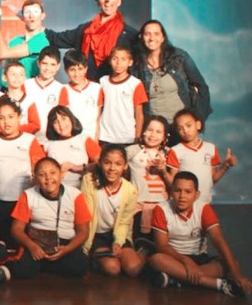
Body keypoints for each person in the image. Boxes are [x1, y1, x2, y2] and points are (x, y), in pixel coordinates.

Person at [149, 172, 252, 297]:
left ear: (196, 195)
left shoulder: (203, 208)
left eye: (188, 192)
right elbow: (162, 246)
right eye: (177, 190)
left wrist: (237, 274)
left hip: (200, 259)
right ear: (171, 192)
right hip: (174, 258)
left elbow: (218, 240)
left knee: (232, 263)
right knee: (156, 259)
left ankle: (178, 280)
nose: (182, 196)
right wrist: (186, 261)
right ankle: (218, 284)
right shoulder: (161, 209)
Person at [6, 157, 90, 279]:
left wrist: (67, 249)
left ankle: (43, 266)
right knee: (22, 271)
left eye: (53, 173)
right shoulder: (28, 195)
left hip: (64, 244)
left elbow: (83, 231)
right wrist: (32, 246)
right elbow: (16, 229)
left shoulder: (75, 195)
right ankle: (43, 265)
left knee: (79, 267)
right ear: (35, 178)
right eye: (42, 174)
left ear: (61, 174)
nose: (48, 178)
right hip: (37, 242)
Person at [132, 20, 212, 139]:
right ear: (142, 37)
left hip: (180, 127)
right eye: (147, 34)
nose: (151, 38)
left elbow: (201, 87)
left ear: (163, 37)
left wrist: (197, 119)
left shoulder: (179, 57)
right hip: (154, 129)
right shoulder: (136, 64)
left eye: (156, 34)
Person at [44, 0, 139, 80]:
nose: (108, 0)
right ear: (98, 2)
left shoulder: (130, 34)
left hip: (116, 89)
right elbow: (56, 39)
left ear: (119, 2)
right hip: (89, 89)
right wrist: (36, 24)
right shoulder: (85, 30)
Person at [0, 98, 46, 244]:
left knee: (17, 243)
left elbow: (40, 170)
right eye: (1, 118)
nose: (7, 122)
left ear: (19, 117)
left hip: (22, 203)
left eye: (11, 117)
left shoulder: (30, 140)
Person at [80, 146, 142, 277]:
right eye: (107, 163)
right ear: (100, 163)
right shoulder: (89, 181)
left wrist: (118, 242)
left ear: (125, 166)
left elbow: (124, 222)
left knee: (133, 268)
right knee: (113, 268)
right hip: (96, 234)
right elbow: (86, 217)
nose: (112, 168)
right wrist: (86, 246)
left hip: (115, 233)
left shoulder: (130, 190)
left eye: (118, 164)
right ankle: (94, 258)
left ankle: (142, 253)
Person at [165, 109, 237, 205]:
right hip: (183, 204)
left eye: (188, 125)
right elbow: (173, 182)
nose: (185, 131)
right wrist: (162, 170)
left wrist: (225, 165)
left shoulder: (211, 148)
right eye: (180, 128)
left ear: (198, 125)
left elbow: (213, 178)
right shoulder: (175, 151)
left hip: (205, 202)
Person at [127, 116, 170, 252]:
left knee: (161, 246)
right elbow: (114, 163)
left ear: (164, 136)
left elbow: (175, 183)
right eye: (150, 130)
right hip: (139, 206)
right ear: (143, 131)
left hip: (162, 206)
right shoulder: (132, 150)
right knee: (142, 245)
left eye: (158, 132)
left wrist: (163, 170)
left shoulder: (169, 153)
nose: (153, 135)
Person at [0, 0, 52, 81]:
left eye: (35, 12)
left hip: (27, 91)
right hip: (7, 90)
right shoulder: (16, 41)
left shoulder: (42, 40)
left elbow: (4, 53)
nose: (31, 15)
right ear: (22, 17)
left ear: (42, 16)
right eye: (27, 12)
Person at [99, 46, 147, 146]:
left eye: (123, 59)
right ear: (109, 61)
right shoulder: (103, 81)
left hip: (127, 137)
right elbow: (98, 109)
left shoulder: (135, 84)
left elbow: (139, 114)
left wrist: (137, 137)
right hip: (105, 136)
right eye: (115, 59)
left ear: (130, 62)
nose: (118, 63)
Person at [43, 106, 100, 189]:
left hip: (82, 189)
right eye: (56, 122)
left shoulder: (84, 139)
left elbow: (102, 164)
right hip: (56, 191)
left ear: (71, 119)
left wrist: (76, 167)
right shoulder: (47, 146)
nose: (61, 125)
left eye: (64, 119)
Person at [23, 46, 65, 142]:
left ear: (58, 66)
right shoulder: (26, 84)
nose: (48, 68)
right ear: (38, 63)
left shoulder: (61, 89)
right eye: (44, 63)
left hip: (51, 140)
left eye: (52, 64)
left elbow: (62, 116)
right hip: (26, 138)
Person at [59, 49, 103, 140]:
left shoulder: (97, 88)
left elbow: (98, 120)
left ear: (86, 68)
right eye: (72, 70)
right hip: (73, 141)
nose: (76, 74)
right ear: (66, 71)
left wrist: (96, 142)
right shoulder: (63, 89)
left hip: (92, 139)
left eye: (80, 69)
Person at [1, 61, 40, 134]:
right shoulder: (0, 100)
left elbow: (35, 125)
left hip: (25, 140)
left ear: (25, 78)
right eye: (13, 74)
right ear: (4, 77)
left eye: (21, 75)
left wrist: (14, 129)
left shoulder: (30, 100)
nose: (17, 78)